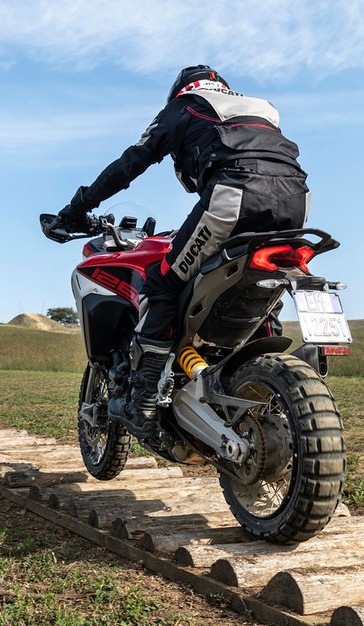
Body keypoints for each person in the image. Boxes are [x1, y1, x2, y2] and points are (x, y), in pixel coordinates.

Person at [56, 65, 310, 437]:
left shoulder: (185, 106)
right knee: (259, 282)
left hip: (235, 194)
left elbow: (130, 163)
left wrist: (77, 207)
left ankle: (143, 399)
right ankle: (255, 373)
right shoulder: (261, 108)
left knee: (162, 281)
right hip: (298, 201)